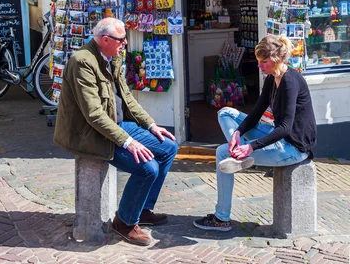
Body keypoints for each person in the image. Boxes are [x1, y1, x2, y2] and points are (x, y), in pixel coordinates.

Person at [54, 18, 178, 246]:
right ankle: (125, 223)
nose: (126, 44)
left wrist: (150, 124)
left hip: (119, 125)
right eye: (121, 40)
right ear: (105, 40)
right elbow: (93, 115)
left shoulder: (113, 56)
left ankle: (141, 210)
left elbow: (126, 97)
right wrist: (128, 142)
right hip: (92, 133)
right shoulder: (82, 62)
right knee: (147, 168)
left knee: (168, 147)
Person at [194, 34, 317, 232]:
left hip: (293, 147)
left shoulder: (290, 82)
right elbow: (255, 114)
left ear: (276, 60)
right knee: (225, 113)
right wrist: (238, 134)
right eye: (259, 61)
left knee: (221, 153)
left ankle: (221, 217)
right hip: (279, 138)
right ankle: (238, 158)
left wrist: (251, 146)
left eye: (264, 61)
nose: (259, 66)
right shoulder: (272, 79)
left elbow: (285, 127)